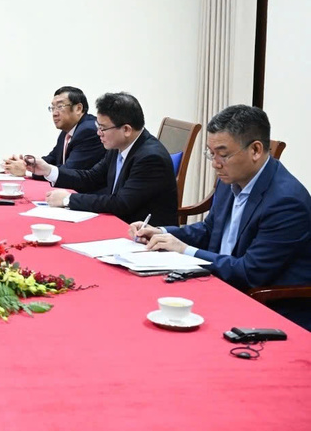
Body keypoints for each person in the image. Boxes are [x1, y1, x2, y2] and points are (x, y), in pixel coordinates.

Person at [130, 105, 311, 330]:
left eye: (223, 154)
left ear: (255, 150)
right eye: (211, 153)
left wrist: (184, 250)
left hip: (266, 307)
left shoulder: (286, 202)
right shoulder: (229, 180)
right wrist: (164, 233)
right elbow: (210, 229)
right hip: (221, 283)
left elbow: (249, 273)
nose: (215, 164)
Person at [26, 92, 178, 225]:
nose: (98, 133)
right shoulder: (118, 145)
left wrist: (69, 199)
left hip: (145, 237)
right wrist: (48, 170)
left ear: (126, 129)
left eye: (103, 128)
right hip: (119, 222)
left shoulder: (150, 158)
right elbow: (91, 178)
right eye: (98, 126)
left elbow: (121, 203)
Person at [4, 86, 105, 177]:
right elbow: (51, 159)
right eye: (52, 108)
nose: (54, 113)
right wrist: (26, 164)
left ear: (78, 108)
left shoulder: (89, 130)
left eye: (60, 106)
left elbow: (70, 170)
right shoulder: (67, 131)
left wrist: (27, 172)